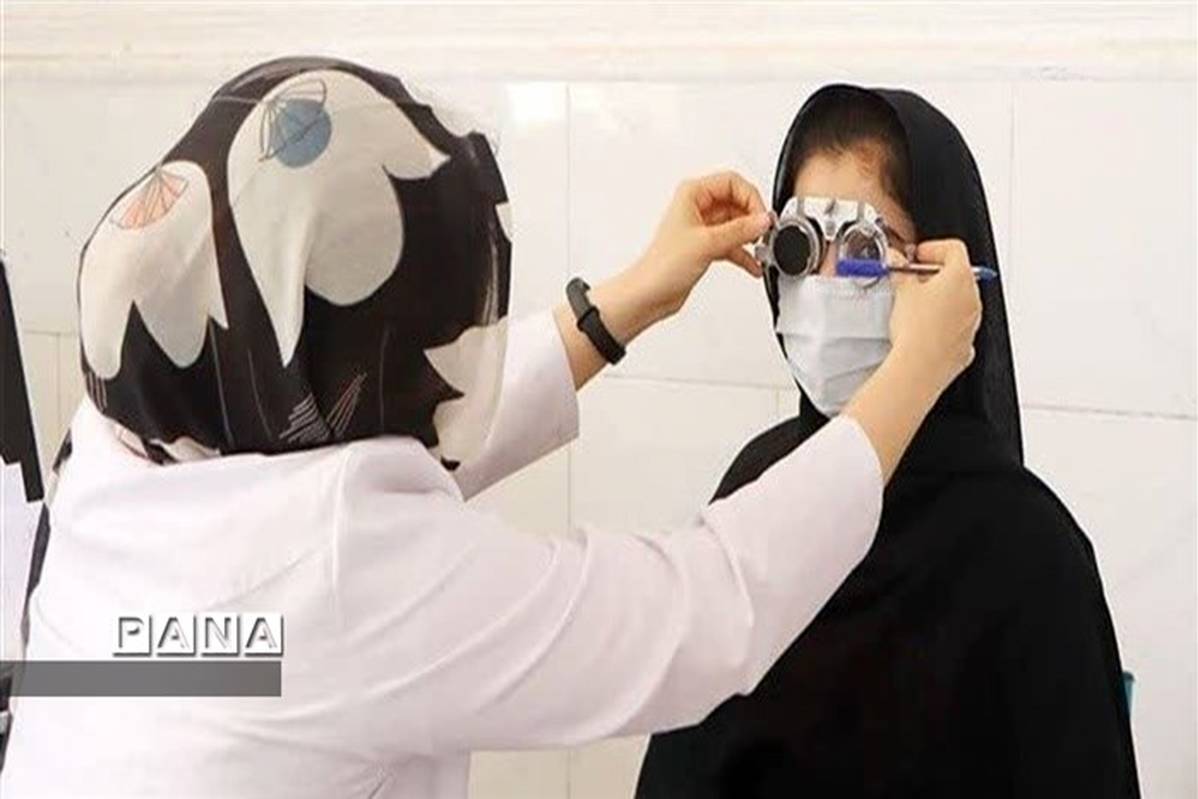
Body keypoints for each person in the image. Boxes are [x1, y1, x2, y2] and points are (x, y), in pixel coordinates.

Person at [0, 61, 980, 798]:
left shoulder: (132, 436)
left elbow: (387, 435)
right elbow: (705, 609)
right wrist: (915, 370)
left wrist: (627, 301)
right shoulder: (346, 578)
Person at [636, 84, 1140, 798]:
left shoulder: (1028, 548)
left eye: (863, 250)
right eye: (800, 247)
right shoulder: (760, 482)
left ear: (946, 273)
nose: (823, 288)